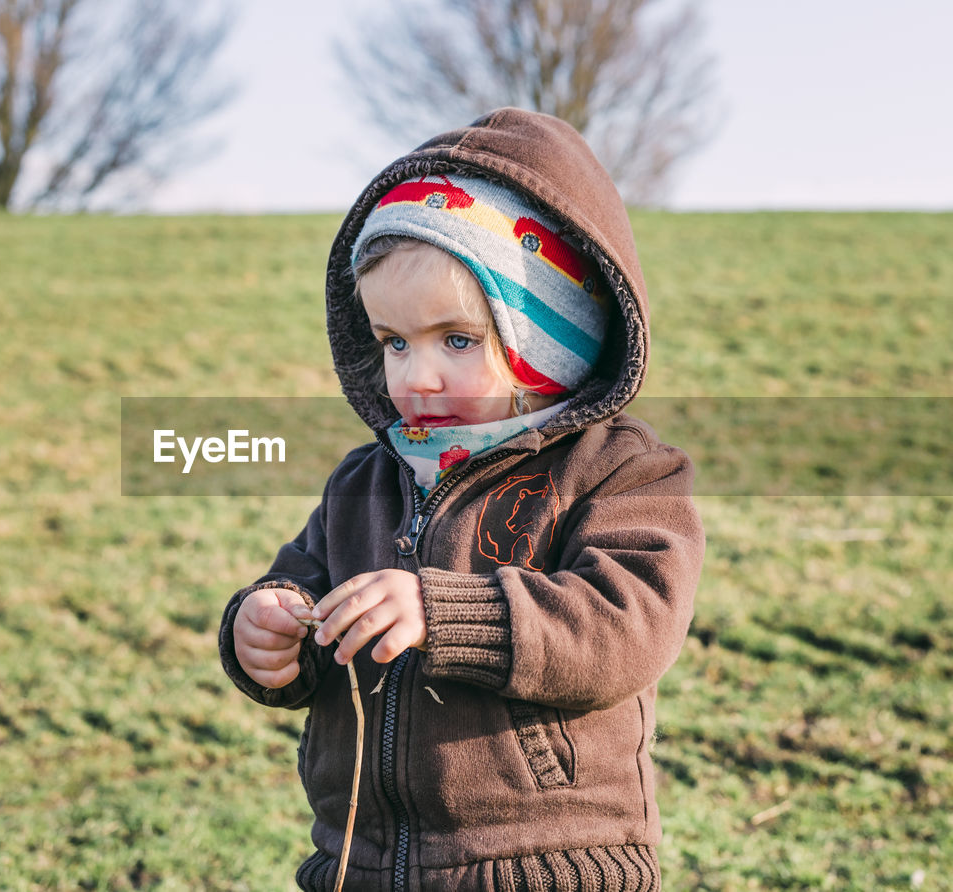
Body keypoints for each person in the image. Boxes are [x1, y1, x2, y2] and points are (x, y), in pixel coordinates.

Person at [218, 108, 705, 891]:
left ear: (549, 339)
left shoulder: (619, 472)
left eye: (457, 340)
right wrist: (267, 628)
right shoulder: (365, 481)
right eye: (393, 342)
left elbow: (628, 625)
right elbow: (303, 588)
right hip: (362, 863)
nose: (416, 377)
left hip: (550, 864)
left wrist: (442, 613)